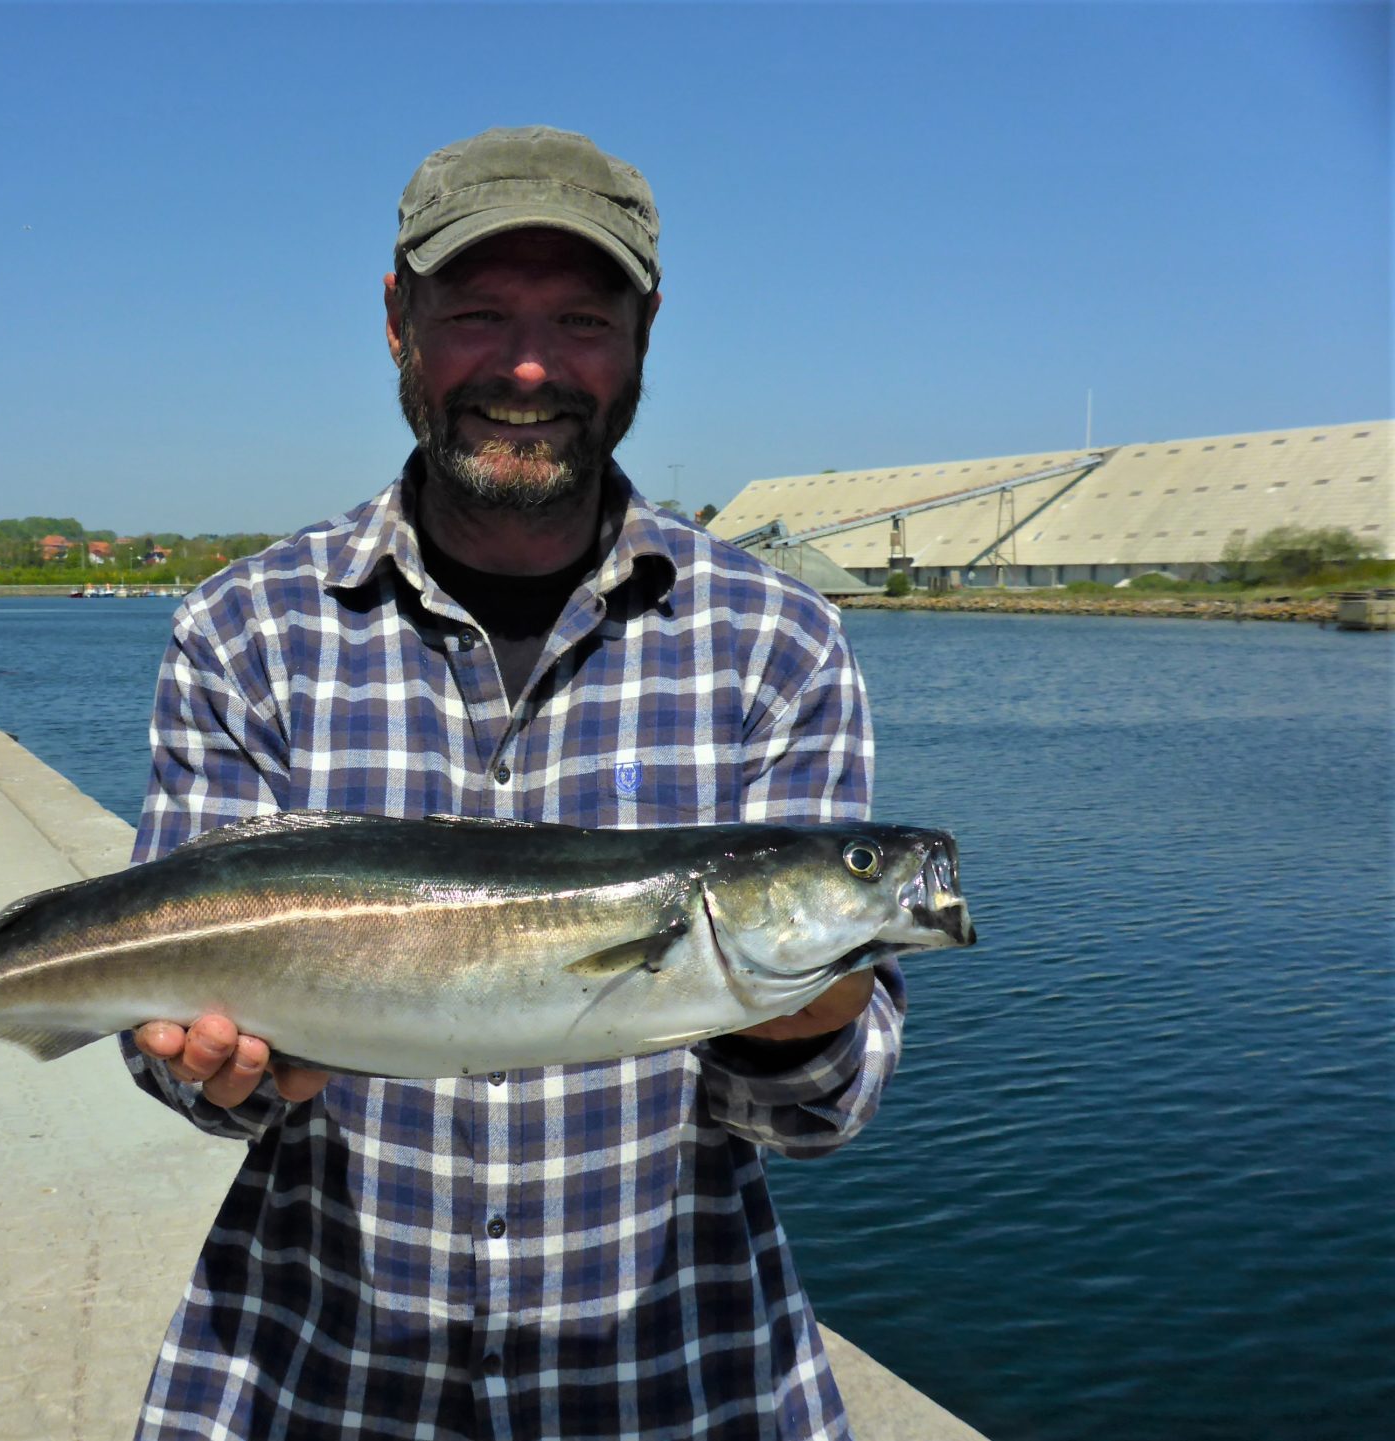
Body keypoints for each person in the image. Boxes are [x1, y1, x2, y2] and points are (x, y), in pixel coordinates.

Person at [121, 126, 902, 1441]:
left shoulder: (781, 641)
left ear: (644, 332)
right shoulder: (244, 628)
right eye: (479, 312)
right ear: (397, 323)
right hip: (315, 1375)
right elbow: (168, 1044)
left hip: (683, 1384)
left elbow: (820, 1117)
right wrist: (221, 1072)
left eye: (580, 319)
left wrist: (808, 1018)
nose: (528, 364)